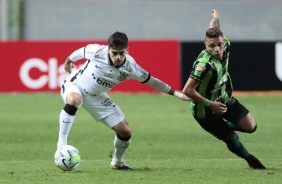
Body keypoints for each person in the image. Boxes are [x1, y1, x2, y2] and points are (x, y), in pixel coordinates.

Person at [56, 31, 190, 170]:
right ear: (108, 49)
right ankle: (61, 146)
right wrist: (68, 60)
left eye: (122, 53)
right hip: (76, 85)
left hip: (97, 97)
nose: (118, 57)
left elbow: (153, 82)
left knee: (125, 131)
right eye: (114, 53)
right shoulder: (96, 51)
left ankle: (117, 162)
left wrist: (178, 95)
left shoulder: (131, 67)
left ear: (127, 50)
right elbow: (81, 52)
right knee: (74, 100)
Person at [182, 9, 266, 169]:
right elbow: (187, 90)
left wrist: (216, 15)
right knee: (230, 138)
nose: (217, 49)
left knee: (251, 127)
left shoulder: (224, 44)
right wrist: (210, 104)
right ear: (205, 45)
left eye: (219, 44)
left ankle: (224, 126)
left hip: (225, 100)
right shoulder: (203, 65)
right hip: (205, 110)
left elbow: (214, 25)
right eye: (211, 46)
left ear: (224, 41)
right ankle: (250, 160)